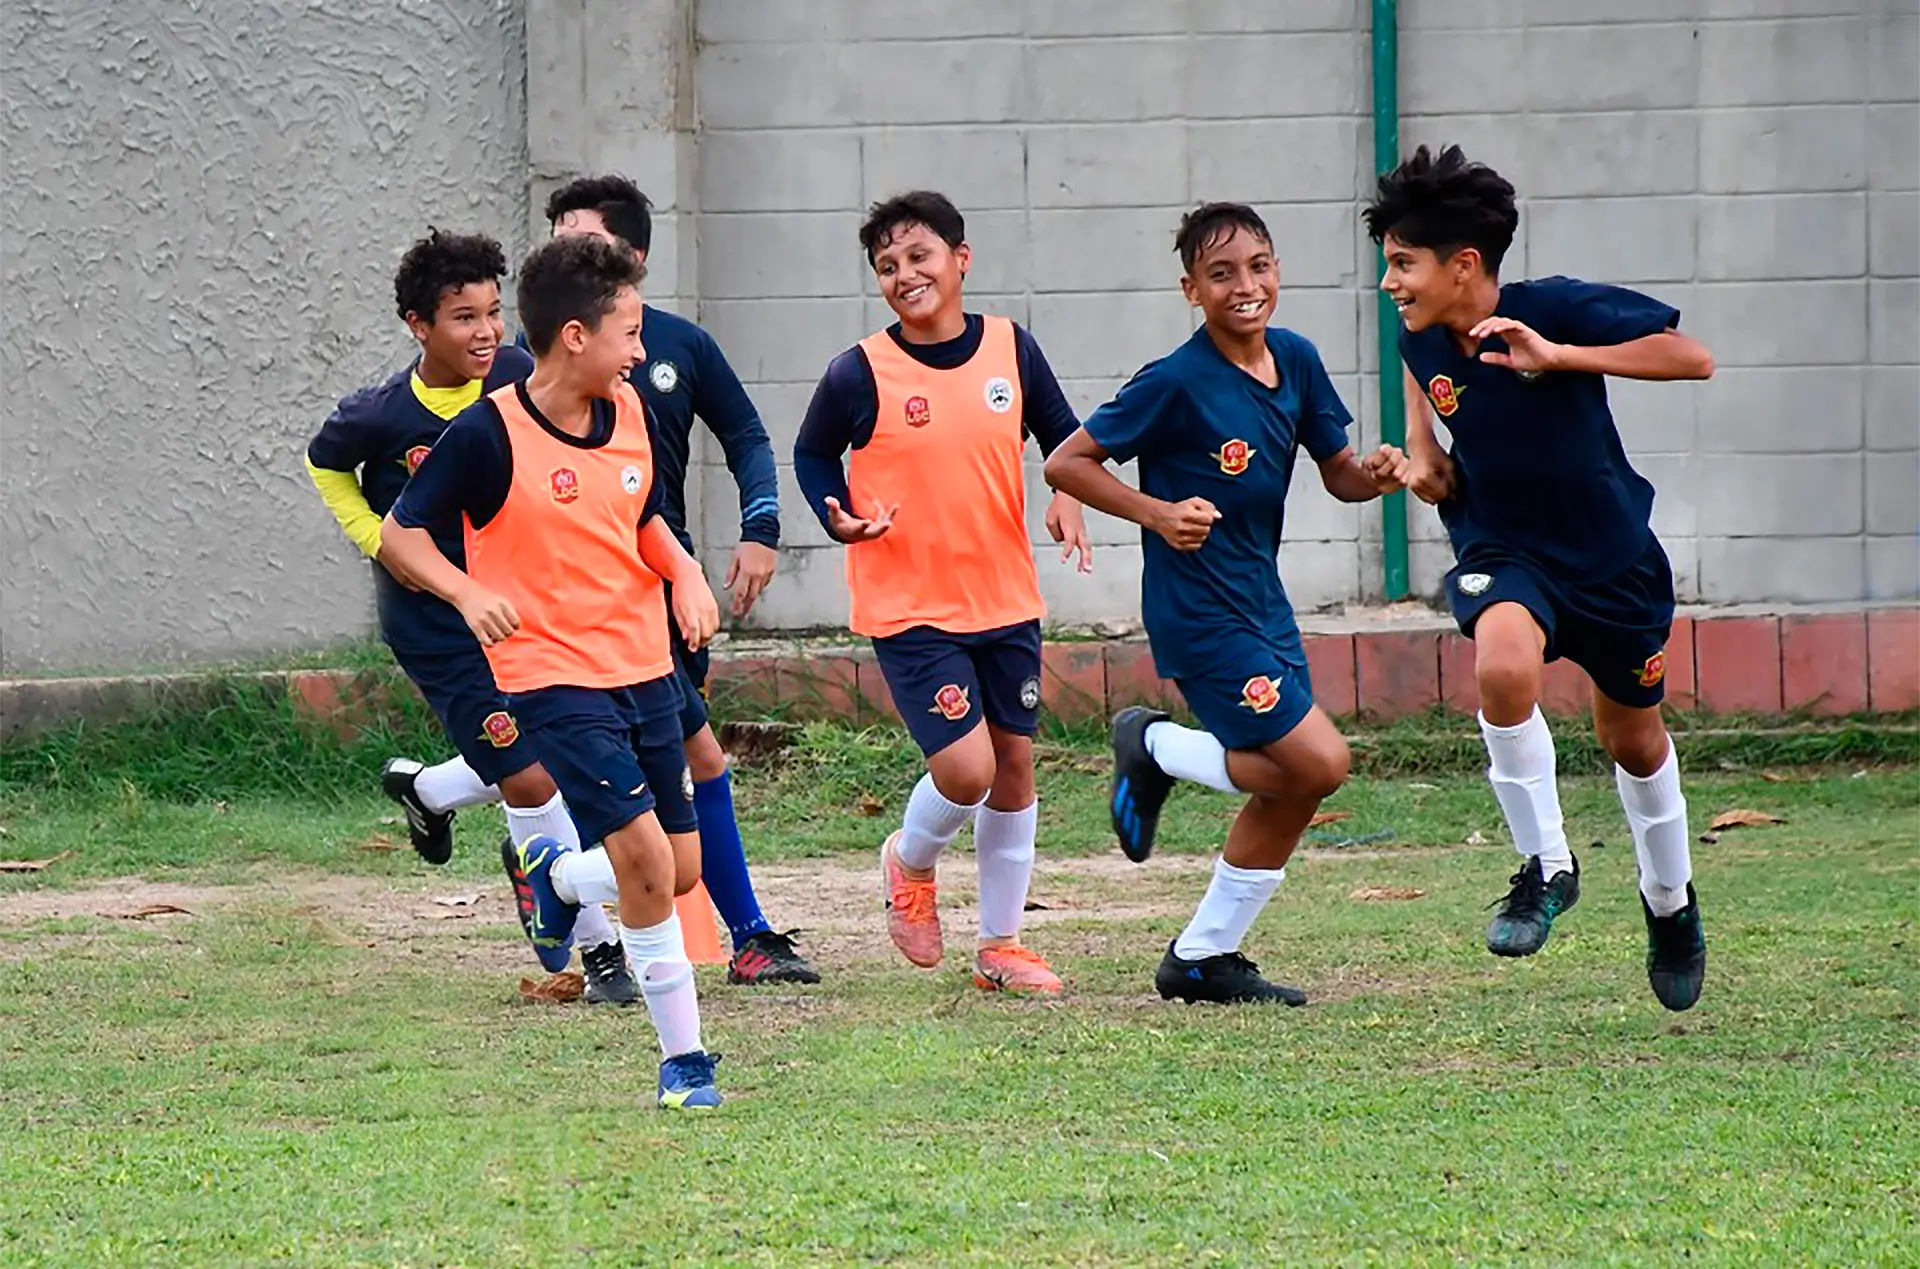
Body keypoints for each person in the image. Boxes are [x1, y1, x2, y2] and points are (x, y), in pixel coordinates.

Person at [1363, 144, 1716, 1011]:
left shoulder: (1552, 308)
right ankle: (1548, 865)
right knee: (1502, 663)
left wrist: (1559, 356)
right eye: (1387, 265)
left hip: (1612, 563)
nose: (1390, 283)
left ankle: (1670, 903)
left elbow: (1692, 357)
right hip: (1504, 553)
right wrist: (1413, 469)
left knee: (1633, 740)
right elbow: (1436, 463)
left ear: (1465, 265)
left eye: (1403, 264)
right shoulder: (1415, 343)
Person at [382, 234, 725, 1108]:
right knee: (647, 859)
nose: (642, 353)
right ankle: (684, 1064)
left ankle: (557, 878)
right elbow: (400, 533)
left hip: (644, 662)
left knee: (678, 870)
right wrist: (465, 593)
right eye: (630, 333)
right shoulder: (488, 434)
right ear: (575, 336)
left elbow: (640, 515)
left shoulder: (631, 413)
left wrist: (683, 572)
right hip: (552, 675)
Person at [1044, 202, 1405, 1006]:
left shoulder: (1298, 361)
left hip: (1262, 605)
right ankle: (1157, 747)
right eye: (1222, 273)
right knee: (1322, 762)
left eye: (1259, 266)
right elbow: (1067, 463)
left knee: (1295, 785)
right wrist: (1160, 514)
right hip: (1198, 613)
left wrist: (1375, 474)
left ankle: (1202, 956)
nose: (1246, 285)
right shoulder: (1174, 381)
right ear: (1191, 291)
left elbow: (1338, 471)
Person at [304, 228, 635, 1006]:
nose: (485, 332)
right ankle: (599, 950)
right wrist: (376, 539)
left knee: (546, 753)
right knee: (528, 773)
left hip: (521, 606)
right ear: (419, 326)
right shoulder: (381, 414)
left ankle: (429, 791)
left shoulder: (525, 376)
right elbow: (324, 461)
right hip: (436, 622)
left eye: (493, 312)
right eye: (462, 317)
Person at [794, 190, 1093, 996]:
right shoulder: (859, 371)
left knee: (1017, 765)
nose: (904, 275)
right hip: (910, 603)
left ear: (961, 259)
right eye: (887, 266)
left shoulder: (1010, 347)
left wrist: (1067, 494)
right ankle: (909, 858)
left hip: (1004, 595)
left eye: (919, 257)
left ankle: (1002, 943)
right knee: (969, 770)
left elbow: (1064, 436)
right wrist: (839, 514)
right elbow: (813, 455)